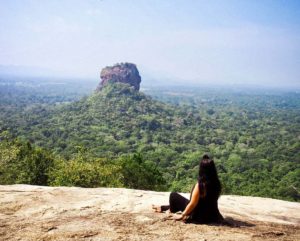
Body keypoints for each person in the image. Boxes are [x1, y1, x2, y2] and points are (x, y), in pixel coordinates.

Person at [152, 154, 224, 224]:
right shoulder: (217, 184)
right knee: (184, 202)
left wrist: (182, 215)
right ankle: (163, 207)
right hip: (210, 215)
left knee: (173, 195)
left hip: (198, 216)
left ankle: (170, 209)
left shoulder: (201, 185)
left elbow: (192, 204)